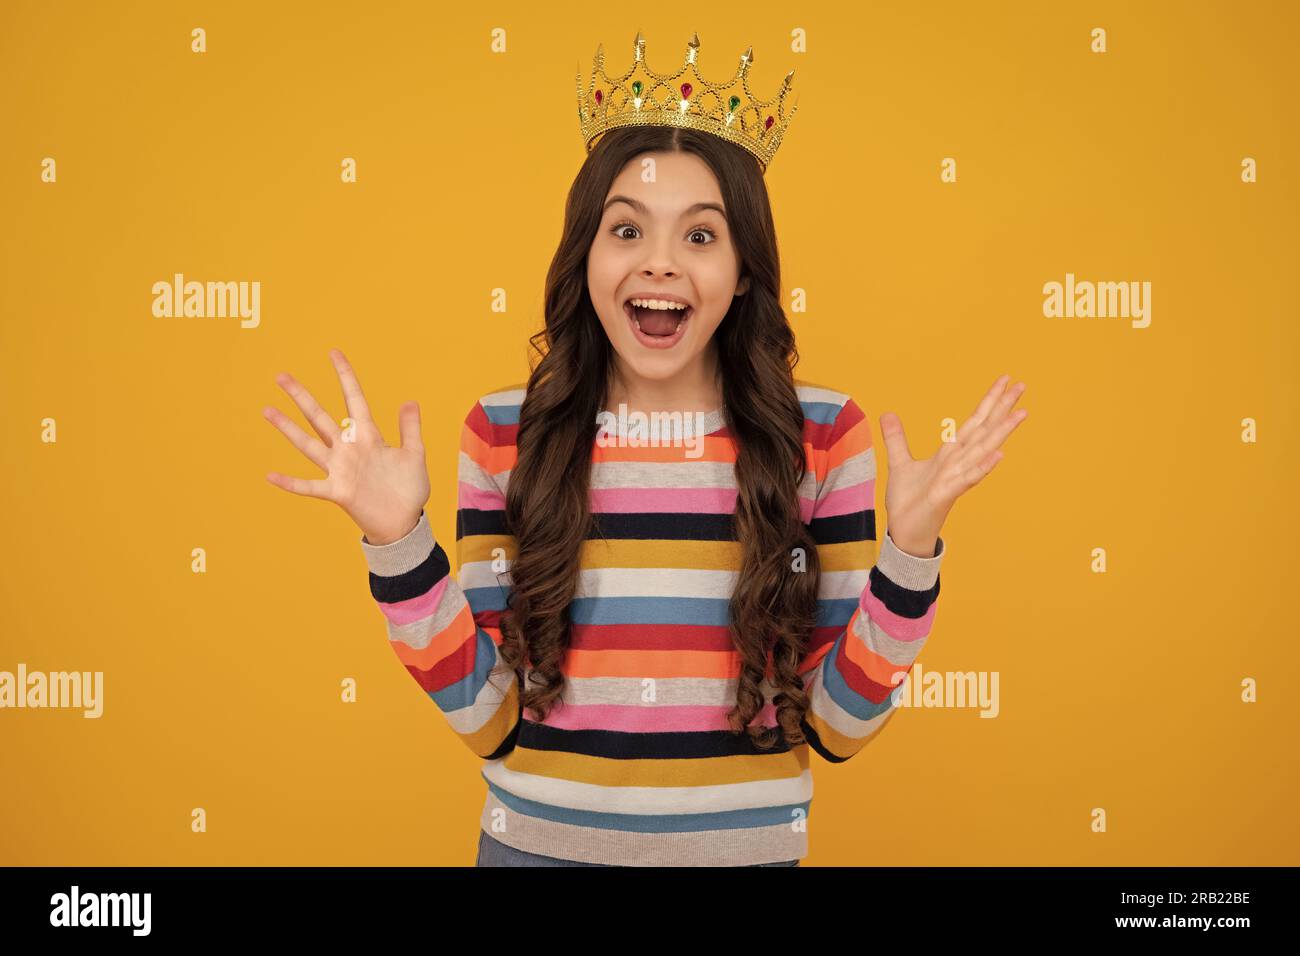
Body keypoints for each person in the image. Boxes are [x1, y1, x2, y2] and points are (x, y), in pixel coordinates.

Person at [261, 32, 1029, 867]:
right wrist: (395, 541)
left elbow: (839, 728)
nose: (660, 263)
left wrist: (910, 556)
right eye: (626, 231)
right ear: (586, 252)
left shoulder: (822, 435)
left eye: (701, 237)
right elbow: (486, 721)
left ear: (742, 270)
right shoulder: (504, 433)